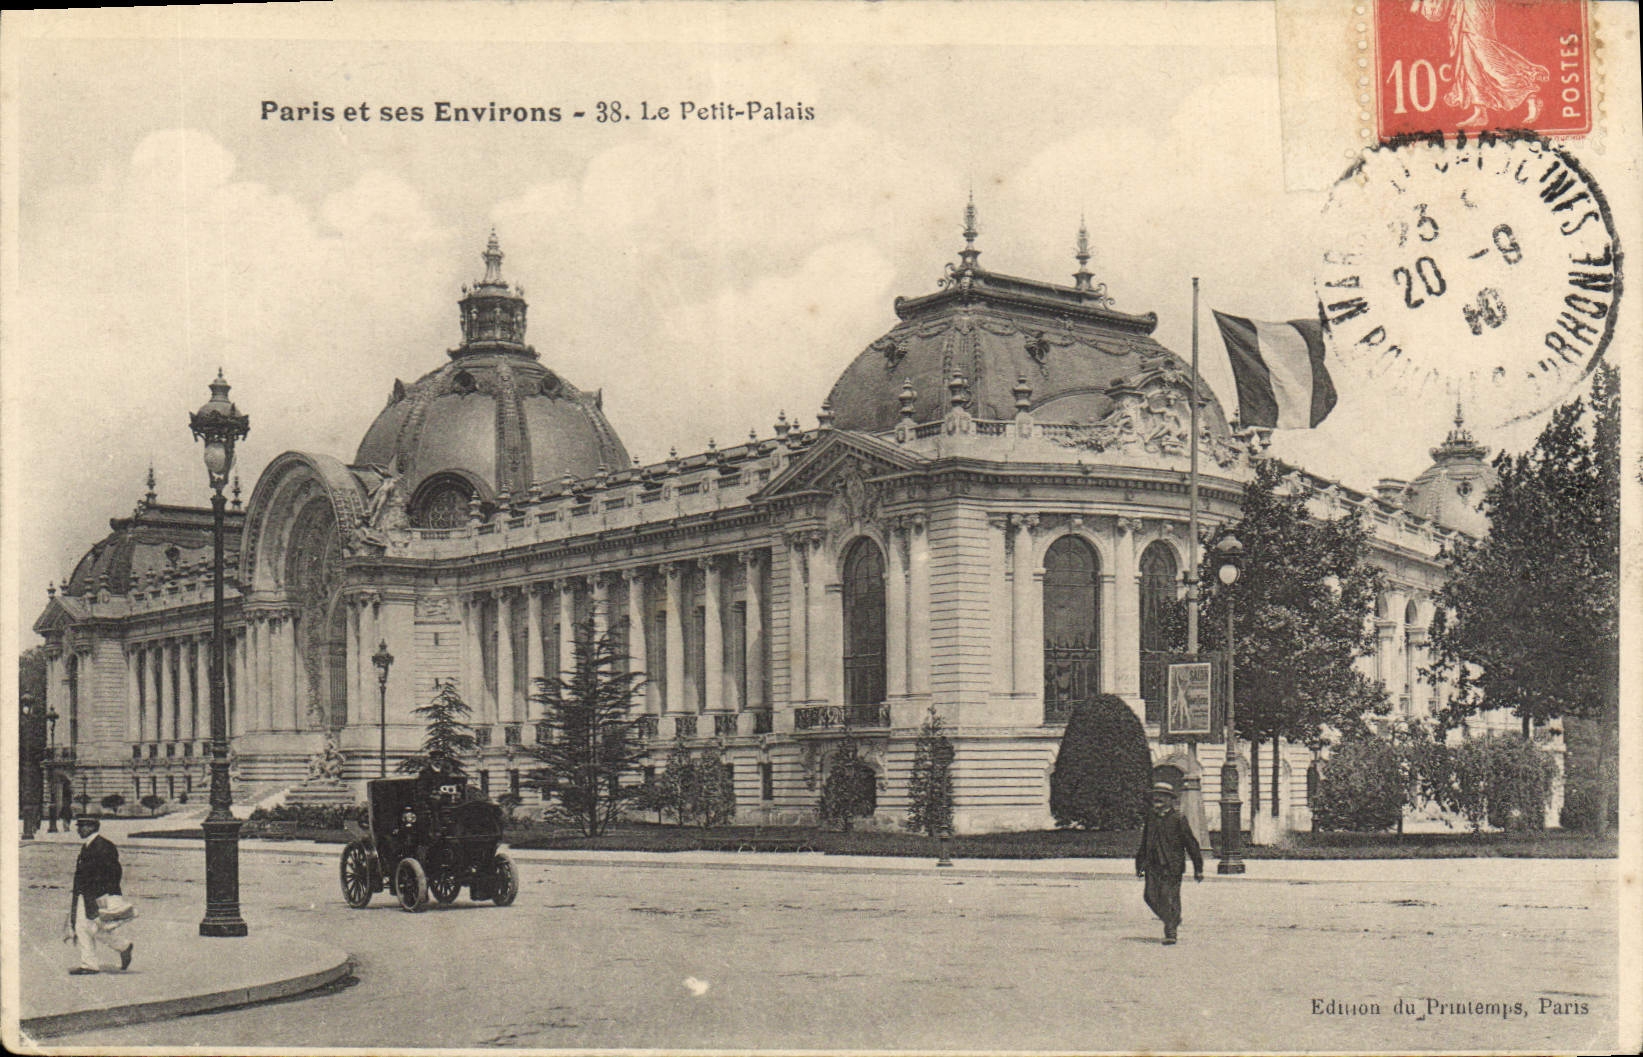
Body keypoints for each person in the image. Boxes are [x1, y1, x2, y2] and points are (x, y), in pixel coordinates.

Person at [1134, 782, 1203, 945]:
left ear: (1170, 799)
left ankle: (1170, 931)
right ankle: (1173, 919)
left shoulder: (1178, 818)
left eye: (1162, 796)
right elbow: (1145, 843)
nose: (1157, 799)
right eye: (1155, 796)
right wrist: (1139, 865)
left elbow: (1191, 844)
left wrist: (1198, 869)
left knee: (1169, 896)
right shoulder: (1151, 818)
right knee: (1149, 896)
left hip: (1172, 866)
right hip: (1152, 864)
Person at [64, 815, 134, 975]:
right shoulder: (89, 845)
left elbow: (114, 872)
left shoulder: (103, 846)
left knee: (95, 928)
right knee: (82, 927)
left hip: (97, 895)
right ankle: (89, 964)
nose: (78, 830)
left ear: (91, 827)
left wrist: (105, 894)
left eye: (81, 826)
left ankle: (123, 946)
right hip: (85, 894)